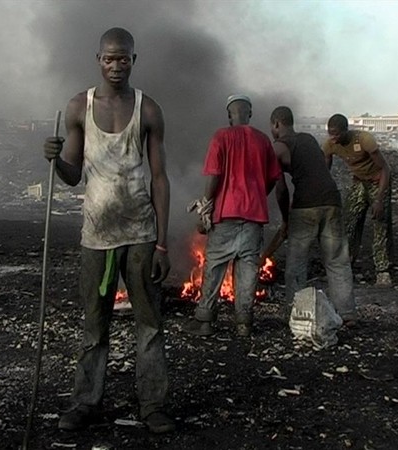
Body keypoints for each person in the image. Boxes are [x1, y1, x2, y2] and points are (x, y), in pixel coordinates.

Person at [43, 28, 174, 434]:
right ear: (97, 59)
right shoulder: (78, 108)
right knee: (94, 324)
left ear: (135, 59)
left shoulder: (147, 110)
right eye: (109, 59)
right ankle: (85, 403)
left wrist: (163, 244)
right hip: (96, 236)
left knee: (148, 324)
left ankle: (152, 406)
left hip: (139, 233)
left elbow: (160, 179)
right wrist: (54, 159)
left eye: (124, 59)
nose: (116, 66)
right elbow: (72, 173)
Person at [184, 95, 282, 338]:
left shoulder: (221, 136)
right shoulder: (263, 140)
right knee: (248, 269)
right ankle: (244, 324)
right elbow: (272, 178)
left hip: (226, 213)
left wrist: (206, 206)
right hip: (254, 215)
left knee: (215, 267)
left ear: (230, 115)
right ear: (250, 114)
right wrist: (257, 195)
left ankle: (204, 321)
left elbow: (214, 175)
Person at [269, 106, 357, 325]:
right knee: (337, 260)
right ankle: (347, 314)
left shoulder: (279, 147)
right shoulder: (308, 139)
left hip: (305, 206)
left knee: (297, 262)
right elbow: (319, 168)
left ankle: (296, 312)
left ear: (277, 124)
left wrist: (286, 220)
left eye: (272, 126)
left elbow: (280, 189)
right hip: (332, 200)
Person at [323, 114, 393, 286]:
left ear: (346, 130)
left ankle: (383, 271)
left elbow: (386, 169)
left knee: (380, 224)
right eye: (330, 133)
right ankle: (346, 266)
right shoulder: (330, 145)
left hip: (378, 181)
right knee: (349, 222)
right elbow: (326, 169)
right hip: (360, 182)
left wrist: (379, 199)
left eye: (336, 134)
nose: (333, 137)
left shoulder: (364, 140)